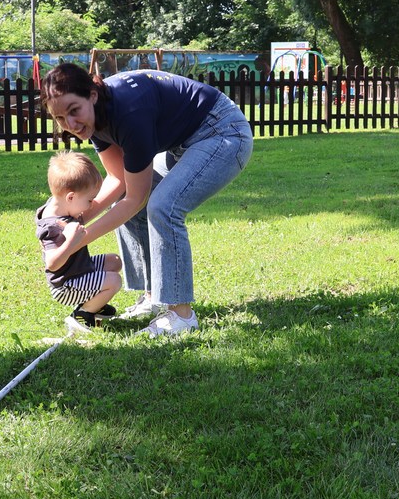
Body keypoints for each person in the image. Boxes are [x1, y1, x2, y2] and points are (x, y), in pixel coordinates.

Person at [38, 64, 253, 337]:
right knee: (132, 199)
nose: (70, 125)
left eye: (73, 110)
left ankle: (180, 315)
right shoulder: (96, 118)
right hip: (183, 143)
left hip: (222, 132)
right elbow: (118, 180)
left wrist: (78, 240)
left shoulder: (129, 112)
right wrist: (74, 219)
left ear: (92, 94)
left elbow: (136, 199)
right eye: (59, 118)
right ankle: (153, 298)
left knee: (163, 206)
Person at [36, 150, 122, 332]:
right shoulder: (52, 226)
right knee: (114, 281)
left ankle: (94, 304)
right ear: (71, 197)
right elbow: (52, 264)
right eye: (89, 200)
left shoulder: (60, 206)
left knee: (114, 261)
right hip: (66, 284)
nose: (91, 205)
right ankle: (83, 314)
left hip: (80, 268)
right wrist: (71, 241)